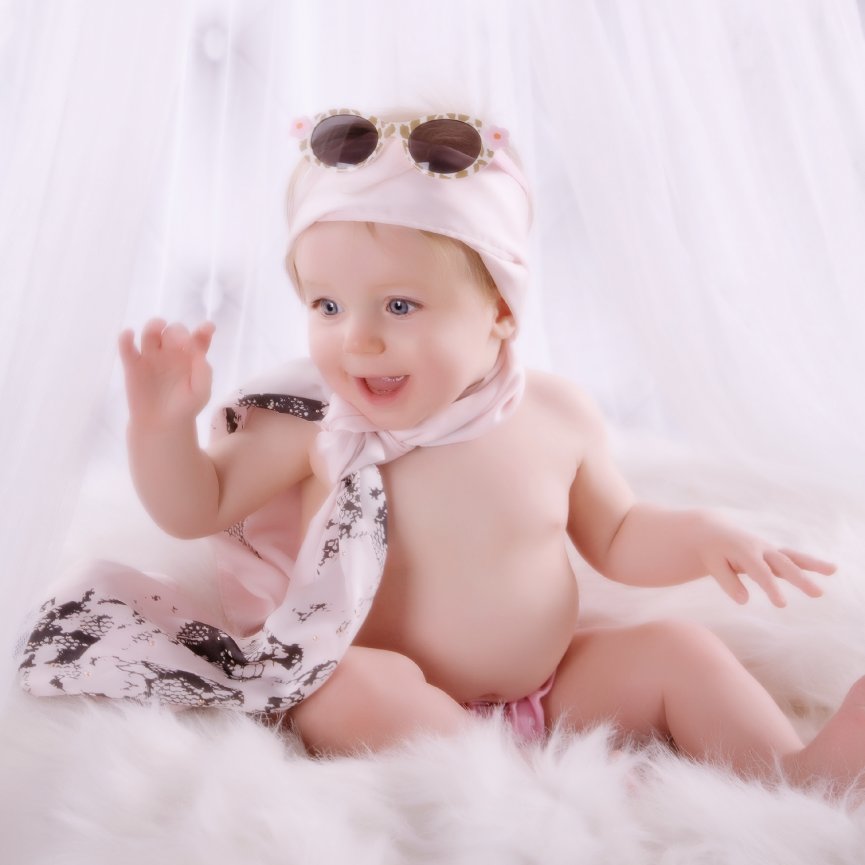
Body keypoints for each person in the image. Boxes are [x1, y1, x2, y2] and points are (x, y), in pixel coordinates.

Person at [18, 109, 864, 793]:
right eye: (326, 305)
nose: (357, 340)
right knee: (349, 687)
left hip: (548, 693)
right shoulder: (317, 425)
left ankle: (791, 770)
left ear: (500, 311)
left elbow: (617, 534)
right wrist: (161, 427)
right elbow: (194, 504)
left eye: (398, 306)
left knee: (676, 649)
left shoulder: (554, 415)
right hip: (400, 704)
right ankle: (514, 795)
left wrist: (701, 536)